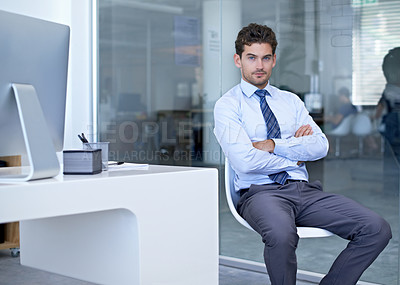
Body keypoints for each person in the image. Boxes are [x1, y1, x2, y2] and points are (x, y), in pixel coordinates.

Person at [213, 23, 391, 285]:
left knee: (376, 229)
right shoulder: (228, 105)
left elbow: (320, 146)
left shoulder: (290, 101)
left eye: (265, 57)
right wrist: (295, 153)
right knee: (282, 235)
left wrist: (273, 144)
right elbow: (244, 161)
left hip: (304, 190)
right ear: (238, 60)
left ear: (274, 59)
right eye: (251, 57)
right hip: (260, 194)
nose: (259, 65)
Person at [375, 47, 400, 161]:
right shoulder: (390, 89)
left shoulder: (389, 89)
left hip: (390, 125)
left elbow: (380, 108)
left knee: (391, 156)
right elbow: (380, 107)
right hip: (392, 125)